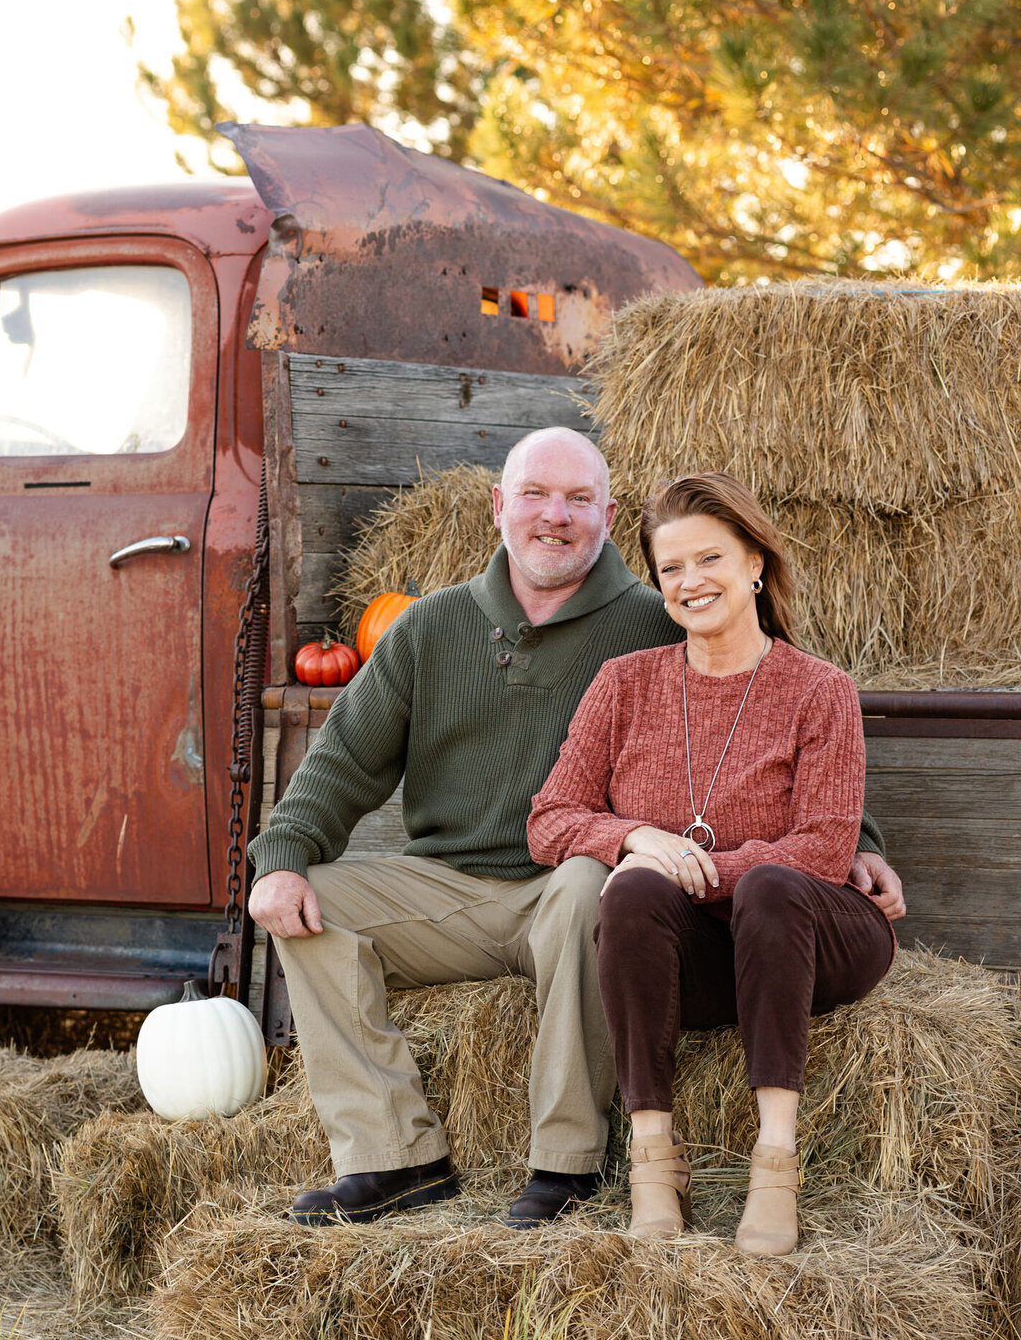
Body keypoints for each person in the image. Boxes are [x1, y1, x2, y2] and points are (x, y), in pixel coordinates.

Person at [249, 431, 904, 1229]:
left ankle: (566, 1165)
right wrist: (281, 858)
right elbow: (341, 763)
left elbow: (768, 704)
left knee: (598, 884)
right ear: (498, 506)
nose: (553, 517)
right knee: (307, 904)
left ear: (607, 516)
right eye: (534, 495)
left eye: (579, 500)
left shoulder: (656, 618)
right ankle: (393, 1158)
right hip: (455, 887)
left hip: (574, 886)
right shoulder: (427, 629)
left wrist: (858, 846)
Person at [527, 472, 897, 1256]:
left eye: (710, 559)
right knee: (625, 895)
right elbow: (550, 818)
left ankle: (776, 1158)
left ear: (755, 561)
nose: (691, 582)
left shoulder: (819, 689)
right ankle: (654, 1163)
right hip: (696, 958)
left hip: (804, 935)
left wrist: (705, 867)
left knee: (767, 883)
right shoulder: (625, 685)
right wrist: (635, 842)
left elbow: (827, 846)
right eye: (671, 569)